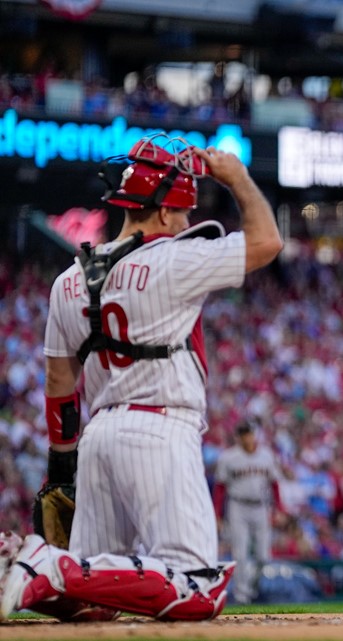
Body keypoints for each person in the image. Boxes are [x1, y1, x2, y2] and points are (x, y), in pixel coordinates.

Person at [0, 133, 282, 622]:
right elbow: (266, 242)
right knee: (197, 591)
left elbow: (59, 382)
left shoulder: (67, 279)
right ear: (167, 213)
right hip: (159, 429)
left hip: (96, 439)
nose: (187, 222)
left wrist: (62, 469)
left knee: (91, 606)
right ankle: (49, 568)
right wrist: (236, 177)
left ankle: (14, 564)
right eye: (185, 213)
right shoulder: (175, 259)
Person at [213, 421, 283, 605]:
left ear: (254, 434)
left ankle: (251, 588)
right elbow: (220, 488)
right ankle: (242, 596)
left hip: (261, 506)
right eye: (243, 434)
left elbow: (274, 484)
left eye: (249, 433)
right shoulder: (229, 457)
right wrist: (218, 514)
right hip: (237, 506)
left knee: (263, 556)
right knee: (240, 554)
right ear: (238, 437)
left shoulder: (266, 456)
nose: (247, 437)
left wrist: (279, 509)